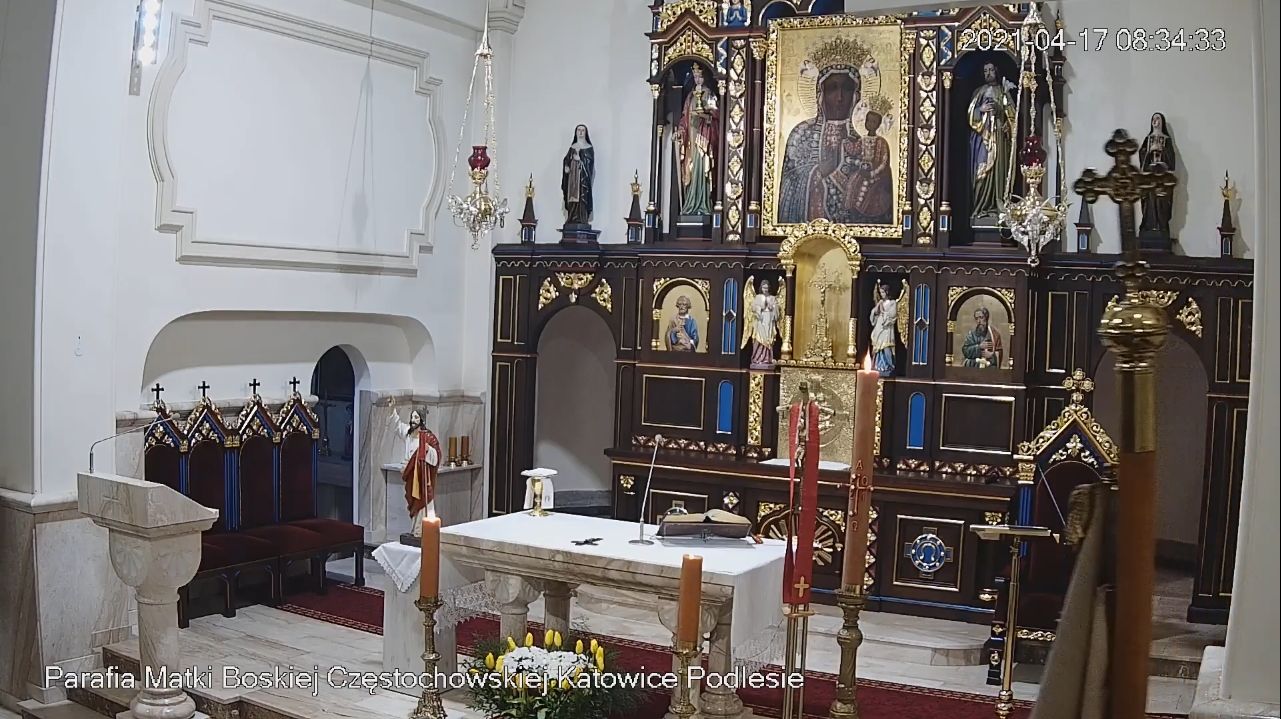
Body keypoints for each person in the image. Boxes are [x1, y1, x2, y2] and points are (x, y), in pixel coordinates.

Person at [778, 38, 867, 224]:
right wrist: (817, 173)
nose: (840, 97)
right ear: (820, 94)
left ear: (856, 96)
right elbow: (788, 185)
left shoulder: (864, 144)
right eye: (832, 89)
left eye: (846, 89)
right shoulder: (801, 134)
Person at [968, 62, 1015, 221]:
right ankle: (980, 207)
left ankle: (997, 206)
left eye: (991, 70)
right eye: (985, 70)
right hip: (983, 138)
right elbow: (970, 115)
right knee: (981, 173)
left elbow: (1012, 115)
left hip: (999, 138)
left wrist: (1006, 121)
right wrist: (980, 110)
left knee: (999, 172)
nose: (988, 73)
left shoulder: (1003, 91)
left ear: (996, 71)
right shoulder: (978, 92)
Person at [675, 65, 719, 216]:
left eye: (699, 76)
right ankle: (691, 203)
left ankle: (702, 203)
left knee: (702, 168)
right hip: (691, 139)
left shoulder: (709, 94)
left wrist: (705, 115)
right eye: (695, 77)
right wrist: (680, 131)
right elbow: (684, 118)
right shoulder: (690, 97)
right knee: (690, 169)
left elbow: (716, 115)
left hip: (703, 138)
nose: (697, 80)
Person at [390, 407, 441, 533]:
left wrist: (428, 449)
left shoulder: (427, 437)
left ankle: (421, 530)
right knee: (412, 501)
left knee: (423, 502)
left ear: (422, 420)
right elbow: (397, 426)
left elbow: (436, 456)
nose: (413, 420)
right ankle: (414, 529)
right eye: (412, 417)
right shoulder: (409, 433)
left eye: (416, 417)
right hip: (410, 473)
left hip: (422, 476)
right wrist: (392, 409)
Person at [845, 102, 894, 224]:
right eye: (868, 121)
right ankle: (853, 212)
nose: (870, 124)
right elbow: (854, 150)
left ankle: (865, 214)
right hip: (862, 171)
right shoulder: (862, 140)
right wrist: (847, 142)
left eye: (874, 122)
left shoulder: (881, 142)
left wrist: (872, 173)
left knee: (867, 186)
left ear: (878, 124)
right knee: (853, 182)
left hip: (877, 174)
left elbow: (884, 161)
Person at [1138, 112, 1177, 237]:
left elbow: (1171, 160)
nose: (1156, 121)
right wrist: (1150, 151)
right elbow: (1142, 156)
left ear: (1162, 122)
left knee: (1161, 202)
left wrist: (1162, 150)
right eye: (1154, 119)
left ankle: (1161, 226)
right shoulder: (1148, 139)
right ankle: (1149, 226)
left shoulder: (1166, 139)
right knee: (1149, 202)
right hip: (1149, 177)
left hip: (1162, 178)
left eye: (1158, 119)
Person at [742, 277, 783, 368]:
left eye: (767, 288)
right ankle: (757, 358)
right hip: (760, 321)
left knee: (769, 340)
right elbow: (753, 308)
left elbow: (777, 312)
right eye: (764, 288)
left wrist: (773, 307)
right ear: (761, 288)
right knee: (758, 339)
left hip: (769, 321)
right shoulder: (757, 297)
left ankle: (767, 359)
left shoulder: (772, 298)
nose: (765, 289)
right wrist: (759, 308)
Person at [561, 124, 595, 226]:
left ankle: (582, 218)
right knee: (572, 200)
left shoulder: (589, 148)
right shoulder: (572, 147)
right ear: (576, 133)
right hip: (572, 180)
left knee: (582, 199)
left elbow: (590, 164)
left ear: (586, 133)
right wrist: (566, 167)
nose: (580, 132)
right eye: (578, 130)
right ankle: (572, 217)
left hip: (582, 180)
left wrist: (580, 160)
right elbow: (566, 160)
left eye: (582, 130)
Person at [869, 280, 904, 376]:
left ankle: (888, 366)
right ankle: (878, 366)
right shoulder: (880, 302)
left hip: (887, 327)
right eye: (880, 293)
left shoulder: (893, 303)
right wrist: (877, 308)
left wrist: (884, 312)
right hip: (879, 325)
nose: (882, 294)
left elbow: (893, 315)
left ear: (887, 292)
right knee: (878, 346)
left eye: (883, 292)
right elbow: (874, 313)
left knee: (886, 346)